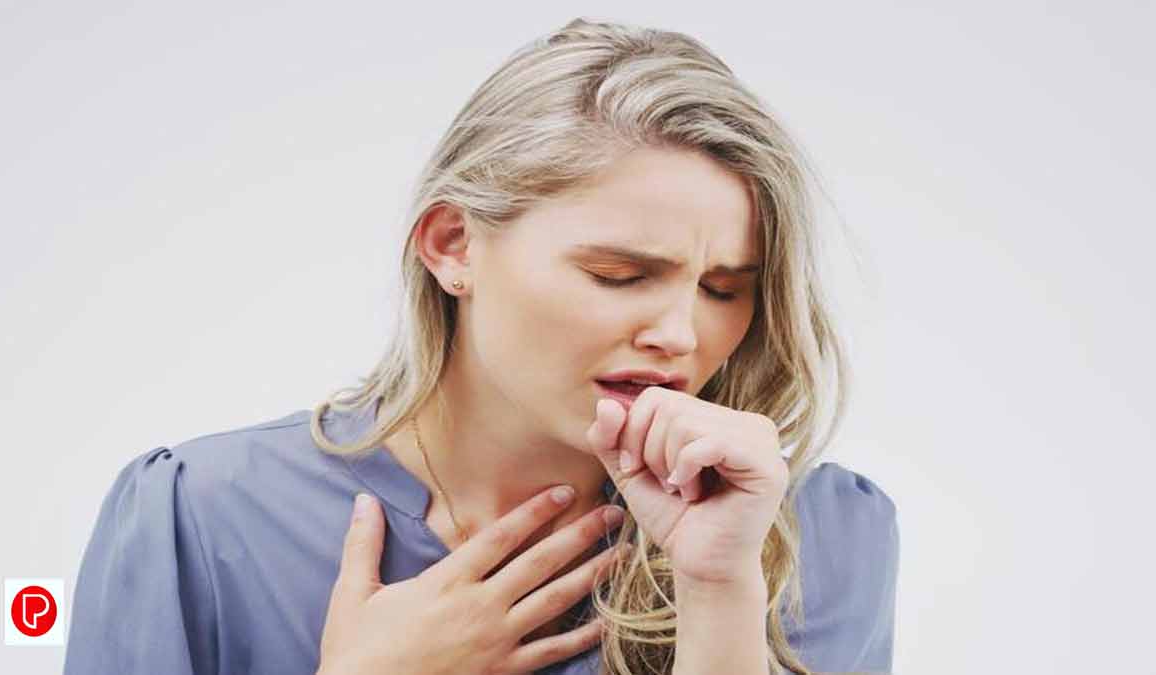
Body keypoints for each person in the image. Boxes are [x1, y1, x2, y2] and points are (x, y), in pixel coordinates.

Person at [63, 17, 898, 675]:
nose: (680, 335)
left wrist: (718, 593)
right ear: (453, 245)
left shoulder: (812, 534)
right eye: (618, 274)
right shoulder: (201, 518)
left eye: (723, 289)